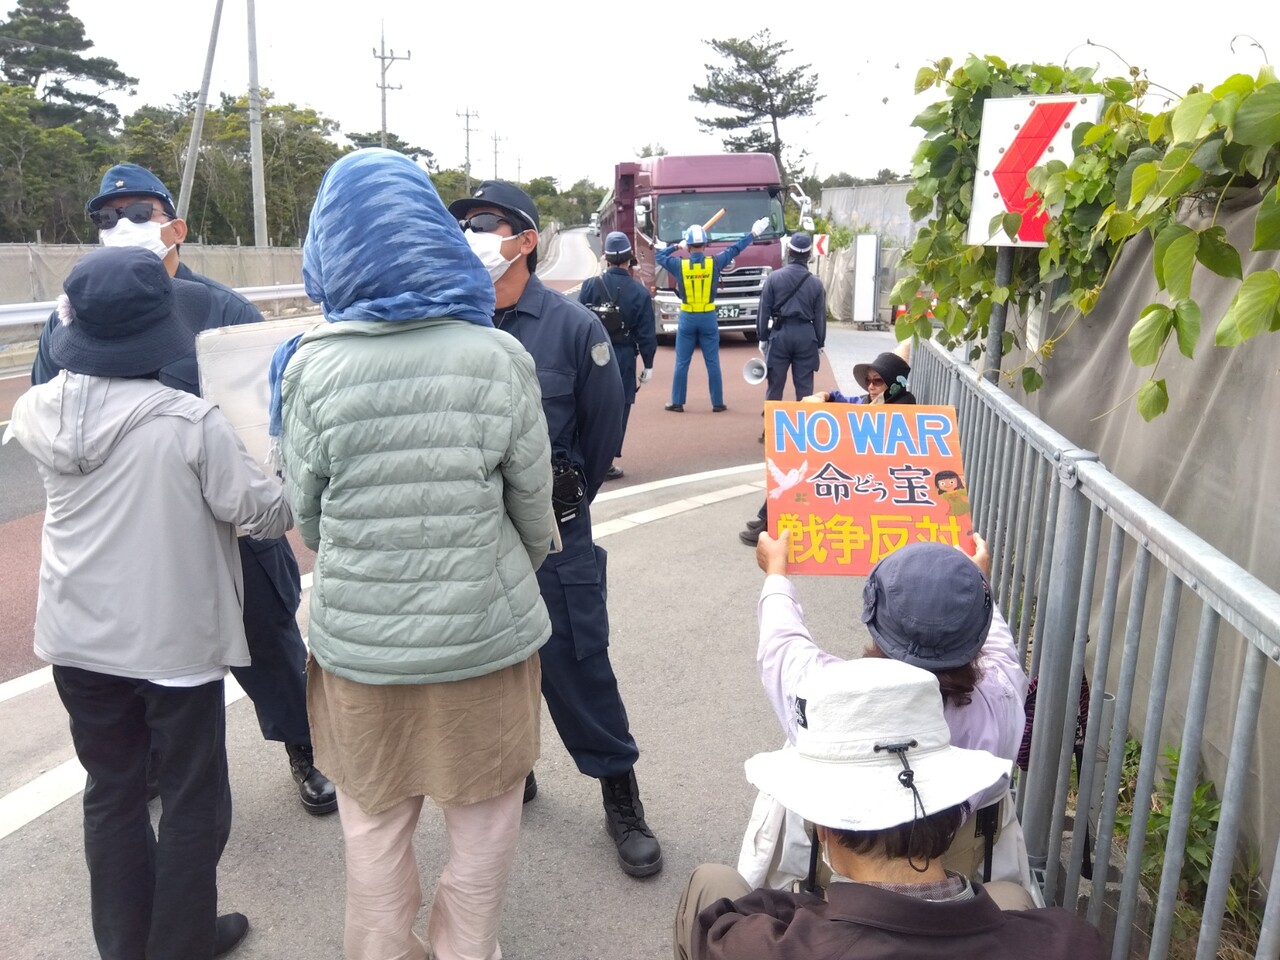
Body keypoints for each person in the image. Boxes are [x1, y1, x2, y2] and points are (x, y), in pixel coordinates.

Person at [272, 150, 555, 960]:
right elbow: (532, 507)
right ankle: (467, 949)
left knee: (372, 822)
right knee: (486, 821)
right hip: (483, 639)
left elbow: (309, 517)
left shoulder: (311, 366)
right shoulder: (497, 355)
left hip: (361, 648)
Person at [6, 246, 295, 960]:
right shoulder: (189, 422)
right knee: (194, 798)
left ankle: (124, 945)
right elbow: (262, 514)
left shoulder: (35, 409)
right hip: (173, 641)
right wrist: (282, 463)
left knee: (112, 792)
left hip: (76, 636)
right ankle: (182, 943)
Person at [31, 162, 335, 816]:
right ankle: (147, 765)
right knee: (137, 658)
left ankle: (306, 748)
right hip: (133, 531)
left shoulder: (220, 309)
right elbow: (48, 405)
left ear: (176, 225)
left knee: (270, 643)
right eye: (108, 218)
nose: (121, 225)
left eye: (139, 213)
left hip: (234, 520)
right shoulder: (72, 316)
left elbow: (273, 413)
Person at [448, 180, 663, 878]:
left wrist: (562, 501)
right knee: (484, 665)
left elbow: (602, 436)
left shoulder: (574, 328)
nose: (471, 236)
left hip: (553, 535)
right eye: (463, 224)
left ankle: (620, 796)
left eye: (484, 223)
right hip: (476, 536)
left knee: (577, 663)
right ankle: (516, 769)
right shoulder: (451, 327)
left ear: (525, 239)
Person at [673, 657, 1109, 960]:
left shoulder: (756, 946)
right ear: (951, 803)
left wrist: (815, 911)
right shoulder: (1071, 944)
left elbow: (726, 919)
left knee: (713, 880)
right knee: (1008, 896)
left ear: (823, 826)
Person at [736, 532, 1035, 897]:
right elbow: (1001, 650)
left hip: (839, 884)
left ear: (873, 616)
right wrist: (975, 587)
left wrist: (776, 574)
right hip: (961, 873)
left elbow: (781, 644)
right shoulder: (1001, 698)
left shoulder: (824, 694)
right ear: (978, 631)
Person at [738, 347, 915, 546]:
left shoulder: (904, 409)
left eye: (877, 381)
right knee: (793, 464)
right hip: (853, 465)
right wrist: (824, 396)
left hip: (870, 475)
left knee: (803, 472)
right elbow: (844, 400)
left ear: (894, 384)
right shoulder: (871, 401)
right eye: (868, 381)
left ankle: (772, 525)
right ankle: (767, 518)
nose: (871, 386)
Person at [657, 215, 770, 413]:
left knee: (682, 362)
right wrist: (753, 233)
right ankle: (717, 403)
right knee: (712, 361)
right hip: (708, 316)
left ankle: (677, 402)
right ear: (705, 244)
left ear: (688, 246)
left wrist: (676, 247)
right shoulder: (715, 262)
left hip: (687, 317)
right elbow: (736, 248)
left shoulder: (679, 265)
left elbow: (658, 257)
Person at [579, 230, 657, 481]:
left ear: (607, 258)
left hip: (592, 354)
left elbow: (577, 321)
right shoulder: (639, 292)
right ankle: (606, 462)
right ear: (628, 258)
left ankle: (583, 456)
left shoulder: (590, 285)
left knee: (588, 404)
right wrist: (648, 364)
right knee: (619, 408)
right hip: (622, 356)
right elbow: (646, 334)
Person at [756, 233, 826, 408]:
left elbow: (764, 310)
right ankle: (804, 423)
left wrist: (763, 337)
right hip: (806, 335)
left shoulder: (773, 278)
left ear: (789, 251)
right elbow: (820, 317)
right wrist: (819, 342)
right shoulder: (816, 283)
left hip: (780, 334)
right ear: (809, 255)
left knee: (775, 385)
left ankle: (770, 423)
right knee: (805, 389)